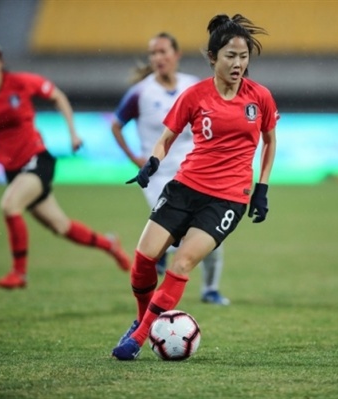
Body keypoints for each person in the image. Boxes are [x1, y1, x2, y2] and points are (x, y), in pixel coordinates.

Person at [111, 14, 278, 361]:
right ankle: (143, 318)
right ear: (213, 57)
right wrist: (153, 163)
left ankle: (138, 338)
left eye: (243, 56)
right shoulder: (194, 95)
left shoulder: (259, 97)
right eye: (230, 56)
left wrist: (261, 188)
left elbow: (270, 140)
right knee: (143, 262)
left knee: (182, 263)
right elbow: (166, 137)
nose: (238, 64)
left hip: (227, 200)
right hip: (185, 187)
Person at [0, 40, 131, 289]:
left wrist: (73, 133)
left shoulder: (21, 82)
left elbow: (57, 96)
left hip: (36, 159)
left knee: (9, 205)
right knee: (61, 226)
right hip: (12, 169)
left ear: (0, 62)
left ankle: (19, 273)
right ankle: (110, 245)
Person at [111, 32, 230, 305]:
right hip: (158, 175)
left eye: (163, 52)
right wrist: (134, 158)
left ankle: (210, 289)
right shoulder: (140, 92)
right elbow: (116, 125)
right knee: (182, 233)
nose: (157, 58)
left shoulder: (194, 86)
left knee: (209, 233)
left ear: (176, 55)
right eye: (153, 53)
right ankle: (159, 267)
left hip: (195, 171)